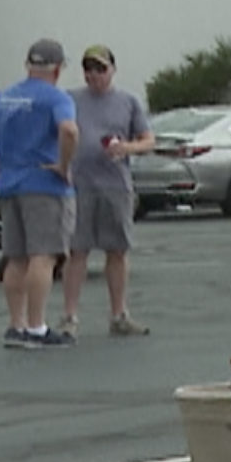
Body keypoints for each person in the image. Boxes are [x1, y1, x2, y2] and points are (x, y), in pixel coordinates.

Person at [0, 38, 78, 350]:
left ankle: (17, 324)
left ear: (29, 65)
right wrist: (64, 165)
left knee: (17, 258)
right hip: (44, 184)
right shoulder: (56, 98)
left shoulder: (7, 96)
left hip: (10, 183)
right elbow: (69, 130)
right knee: (43, 255)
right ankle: (37, 328)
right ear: (57, 68)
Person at [61, 44, 155, 337]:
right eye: (89, 69)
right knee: (77, 251)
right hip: (78, 186)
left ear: (112, 70)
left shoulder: (128, 101)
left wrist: (127, 147)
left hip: (115, 185)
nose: (94, 74)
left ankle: (119, 315)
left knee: (117, 250)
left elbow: (148, 140)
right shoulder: (69, 100)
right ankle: (69, 317)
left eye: (100, 68)